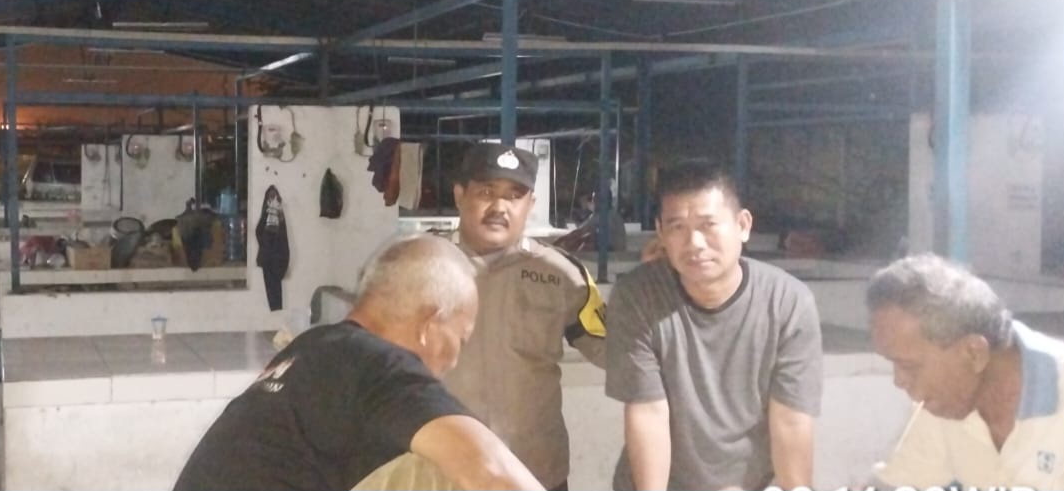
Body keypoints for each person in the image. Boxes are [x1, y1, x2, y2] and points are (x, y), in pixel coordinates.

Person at [173, 235, 545, 491]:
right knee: (444, 468)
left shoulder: (313, 348)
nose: (455, 360)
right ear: (430, 324)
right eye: (459, 339)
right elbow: (493, 472)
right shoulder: (382, 368)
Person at [605, 159, 822, 491]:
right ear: (661, 233)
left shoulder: (788, 302)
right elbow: (648, 412)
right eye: (677, 227)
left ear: (743, 225)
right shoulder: (637, 295)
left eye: (708, 225)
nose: (694, 242)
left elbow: (791, 420)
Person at [442, 143, 607, 491]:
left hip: (534, 472)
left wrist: (667, 283)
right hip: (440, 474)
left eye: (514, 196)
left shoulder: (563, 275)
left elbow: (617, 352)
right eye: (486, 192)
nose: (499, 207)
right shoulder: (419, 264)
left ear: (530, 204)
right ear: (460, 195)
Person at [868, 254, 1064, 489]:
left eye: (909, 366)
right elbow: (898, 481)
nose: (898, 381)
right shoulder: (942, 404)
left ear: (974, 353)